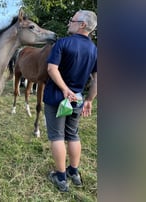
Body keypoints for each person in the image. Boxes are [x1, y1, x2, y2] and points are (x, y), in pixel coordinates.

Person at [43, 10, 97, 192]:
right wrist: (89, 99)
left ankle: (60, 178)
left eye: (72, 20)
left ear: (82, 24)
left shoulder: (63, 43)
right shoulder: (94, 49)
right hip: (78, 99)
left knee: (57, 136)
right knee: (73, 135)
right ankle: (74, 172)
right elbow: (98, 78)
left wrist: (64, 90)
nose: (69, 23)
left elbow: (51, 69)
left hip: (57, 98)